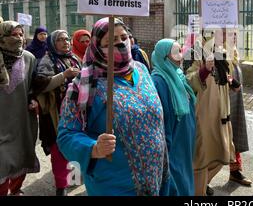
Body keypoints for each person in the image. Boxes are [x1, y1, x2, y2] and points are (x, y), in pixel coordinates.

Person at [57, 18, 167, 196]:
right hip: (115, 185)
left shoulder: (141, 69)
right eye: (111, 41)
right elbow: (66, 135)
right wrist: (94, 148)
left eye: (124, 37)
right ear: (97, 47)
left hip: (155, 177)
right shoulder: (85, 85)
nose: (121, 44)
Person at [184, 30, 238, 196]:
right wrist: (204, 69)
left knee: (223, 154)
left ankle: (199, 187)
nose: (230, 35)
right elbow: (187, 80)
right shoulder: (196, 50)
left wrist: (231, 83)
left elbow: (223, 76)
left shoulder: (223, 52)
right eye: (225, 31)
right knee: (201, 159)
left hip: (221, 112)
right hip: (202, 113)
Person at [32, 30, 81, 196]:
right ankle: (61, 185)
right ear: (53, 43)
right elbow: (40, 86)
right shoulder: (46, 61)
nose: (65, 42)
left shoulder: (74, 59)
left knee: (76, 145)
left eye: (67, 39)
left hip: (77, 112)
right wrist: (64, 75)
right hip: (56, 114)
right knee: (59, 149)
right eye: (60, 40)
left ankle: (74, 178)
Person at [151, 39, 196, 196]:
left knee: (185, 181)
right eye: (176, 53)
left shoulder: (178, 75)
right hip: (172, 146)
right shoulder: (158, 82)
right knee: (176, 185)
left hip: (184, 144)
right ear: (164, 57)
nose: (181, 56)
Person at [0, 21, 40, 196]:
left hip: (20, 119)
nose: (18, 38)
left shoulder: (29, 58)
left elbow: (34, 86)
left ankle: (16, 190)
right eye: (13, 35)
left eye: (20, 34)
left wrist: (34, 99)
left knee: (21, 156)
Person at [227, 32, 252, 186]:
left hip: (234, 101)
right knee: (218, 138)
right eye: (230, 35)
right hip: (221, 102)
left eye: (235, 35)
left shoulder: (234, 53)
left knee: (234, 132)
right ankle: (206, 177)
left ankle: (235, 171)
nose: (234, 37)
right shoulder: (216, 54)